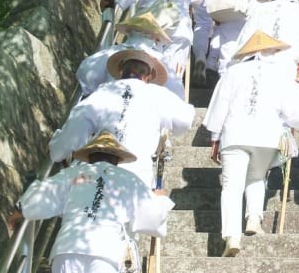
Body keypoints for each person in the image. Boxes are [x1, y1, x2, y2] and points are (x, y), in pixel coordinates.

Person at [14, 132, 173, 273]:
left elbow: (42, 195)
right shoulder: (128, 179)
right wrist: (161, 199)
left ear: (89, 156)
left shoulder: (74, 175)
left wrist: (21, 209)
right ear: (117, 158)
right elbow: (153, 217)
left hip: (68, 244)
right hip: (106, 248)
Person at [203, 31, 299, 256]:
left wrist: (215, 137)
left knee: (231, 186)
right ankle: (253, 219)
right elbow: (296, 113)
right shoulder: (281, 75)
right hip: (266, 135)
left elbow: (220, 106)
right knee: (257, 176)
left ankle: (232, 235)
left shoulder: (233, 72)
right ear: (273, 52)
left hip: (234, 134)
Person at [50, 48, 195, 187]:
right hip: (138, 177)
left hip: (98, 171)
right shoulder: (159, 94)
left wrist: (57, 150)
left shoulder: (103, 92)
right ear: (149, 76)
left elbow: (75, 127)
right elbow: (185, 120)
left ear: (120, 71)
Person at [76, 5, 184, 99]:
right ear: (156, 38)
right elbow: (177, 95)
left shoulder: (109, 52)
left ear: (128, 31)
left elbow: (85, 73)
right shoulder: (161, 61)